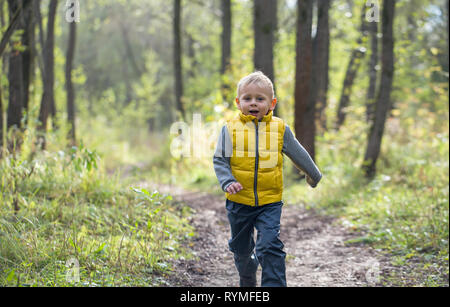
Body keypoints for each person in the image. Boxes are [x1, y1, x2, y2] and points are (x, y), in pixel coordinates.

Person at [213, 71, 322, 287]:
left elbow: (298, 154)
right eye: (247, 98)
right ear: (238, 102)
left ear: (271, 103)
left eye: (260, 99)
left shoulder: (280, 129)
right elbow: (220, 160)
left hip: (270, 202)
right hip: (238, 202)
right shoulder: (230, 129)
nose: (253, 103)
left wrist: (313, 175)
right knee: (241, 250)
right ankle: (247, 273)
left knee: (269, 245)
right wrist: (227, 181)